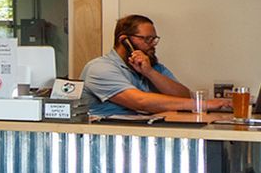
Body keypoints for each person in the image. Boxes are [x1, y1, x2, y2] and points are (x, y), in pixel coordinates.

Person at [80, 13, 231, 117]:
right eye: (147, 39)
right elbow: (140, 102)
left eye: (154, 39)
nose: (152, 45)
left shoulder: (151, 66)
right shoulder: (99, 68)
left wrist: (150, 73)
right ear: (124, 40)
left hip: (146, 136)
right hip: (107, 140)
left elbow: (183, 96)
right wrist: (205, 105)